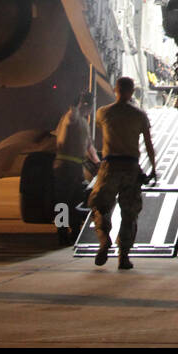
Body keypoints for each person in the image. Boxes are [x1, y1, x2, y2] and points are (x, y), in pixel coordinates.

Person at [88, 78, 156, 271]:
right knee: (129, 213)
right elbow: (149, 146)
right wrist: (153, 168)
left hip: (110, 166)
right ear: (132, 91)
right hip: (131, 167)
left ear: (115, 90)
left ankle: (104, 241)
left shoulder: (103, 112)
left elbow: (97, 132)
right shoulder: (140, 115)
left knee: (100, 206)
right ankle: (123, 257)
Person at [53, 91, 99, 246]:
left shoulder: (84, 123)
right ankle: (62, 233)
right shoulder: (72, 118)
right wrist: (79, 103)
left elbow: (89, 146)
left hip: (76, 168)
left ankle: (74, 231)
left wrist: (98, 163)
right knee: (62, 203)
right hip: (65, 167)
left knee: (75, 202)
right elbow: (73, 114)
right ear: (87, 106)